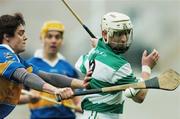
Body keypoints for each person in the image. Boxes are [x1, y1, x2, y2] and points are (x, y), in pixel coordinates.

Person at [75, 12, 159, 119]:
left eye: (126, 33)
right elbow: (140, 96)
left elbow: (80, 65)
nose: (124, 39)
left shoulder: (93, 52)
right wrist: (147, 68)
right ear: (105, 34)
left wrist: (101, 46)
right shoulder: (119, 65)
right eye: (119, 34)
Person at [0, 13, 85, 119]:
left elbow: (48, 77)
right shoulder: (2, 54)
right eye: (20, 33)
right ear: (7, 36)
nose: (25, 38)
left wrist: (85, 84)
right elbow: (25, 76)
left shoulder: (18, 60)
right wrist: (55, 90)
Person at [19, 21, 82, 119]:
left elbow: (76, 97)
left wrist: (79, 104)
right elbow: (15, 98)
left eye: (57, 37)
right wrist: (29, 98)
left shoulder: (68, 67)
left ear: (62, 40)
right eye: (49, 36)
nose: (53, 40)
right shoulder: (28, 65)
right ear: (42, 38)